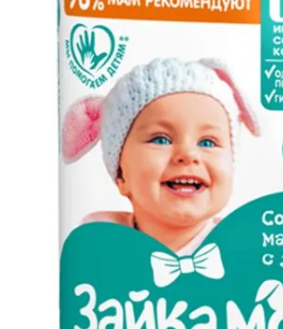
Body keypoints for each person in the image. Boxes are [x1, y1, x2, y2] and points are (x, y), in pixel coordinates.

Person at [61, 58, 259, 253]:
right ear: (121, 176)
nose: (188, 154)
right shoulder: (101, 242)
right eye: (161, 140)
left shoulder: (242, 249)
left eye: (208, 142)